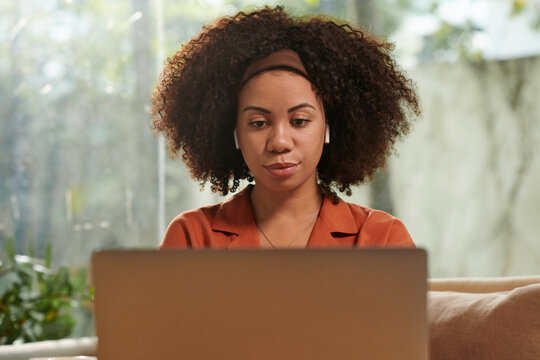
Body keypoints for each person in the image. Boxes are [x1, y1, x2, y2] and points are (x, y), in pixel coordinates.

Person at [151, 6, 420, 249]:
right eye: (258, 123)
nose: (279, 142)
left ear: (329, 127)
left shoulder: (382, 239)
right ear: (235, 134)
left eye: (299, 121)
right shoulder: (192, 238)